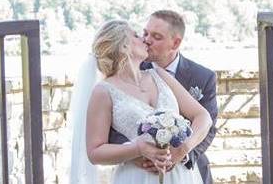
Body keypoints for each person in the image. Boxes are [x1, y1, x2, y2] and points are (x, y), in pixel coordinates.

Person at [69, 19, 212, 184]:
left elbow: (203, 116)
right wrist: (137, 148)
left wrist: (182, 148)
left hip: (180, 176)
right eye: (136, 36)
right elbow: (95, 152)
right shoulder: (103, 91)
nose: (144, 39)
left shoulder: (160, 75)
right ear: (124, 46)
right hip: (137, 176)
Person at [111, 10, 218, 184]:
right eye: (145, 33)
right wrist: (138, 154)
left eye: (156, 36)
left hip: (188, 170)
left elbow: (209, 127)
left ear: (175, 43)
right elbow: (115, 124)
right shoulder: (128, 73)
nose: (147, 39)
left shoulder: (203, 77)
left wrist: (179, 155)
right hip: (138, 170)